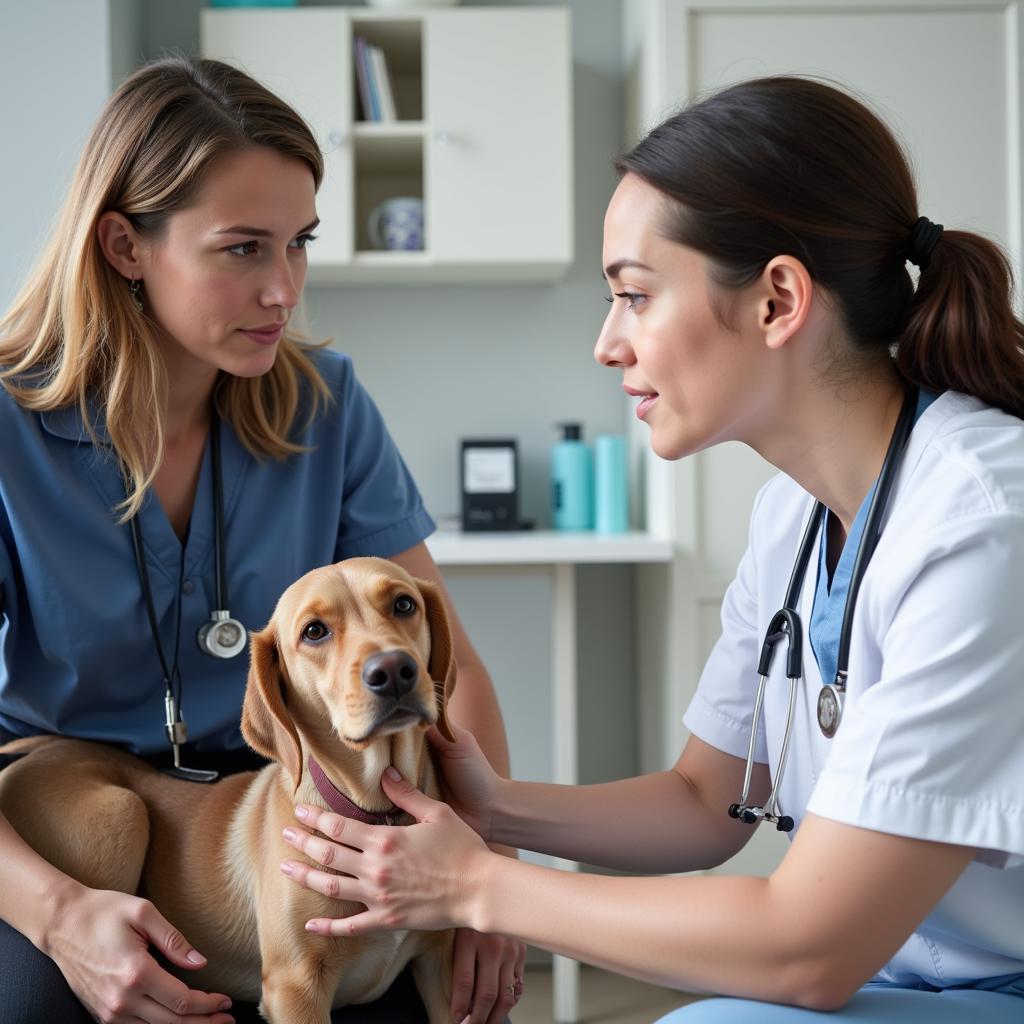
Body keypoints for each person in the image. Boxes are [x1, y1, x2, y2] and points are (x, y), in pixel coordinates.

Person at [276, 76, 1024, 1022]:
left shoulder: (980, 523)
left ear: (778, 300)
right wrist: (492, 807)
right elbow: (704, 801)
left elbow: (810, 950)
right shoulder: (793, 519)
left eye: (633, 296)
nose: (606, 343)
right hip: (911, 979)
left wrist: (478, 887)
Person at [0, 56, 526, 1024]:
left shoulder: (327, 403)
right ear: (124, 244)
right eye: (243, 249)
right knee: (39, 1004)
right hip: (52, 820)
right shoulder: (6, 424)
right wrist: (62, 909)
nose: (284, 290)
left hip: (286, 799)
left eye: (299, 244)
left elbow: (450, 662)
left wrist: (489, 875)